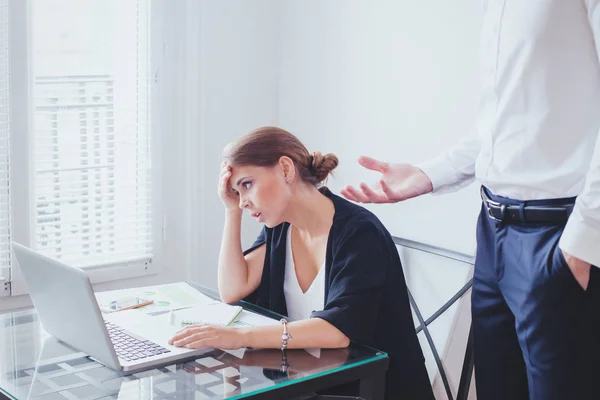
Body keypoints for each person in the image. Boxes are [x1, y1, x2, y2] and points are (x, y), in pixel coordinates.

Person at [341, 2, 600, 399]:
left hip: (558, 236)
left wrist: (582, 244)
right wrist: (427, 175)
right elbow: (501, 127)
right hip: (493, 232)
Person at [169, 126, 434, 399]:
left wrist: (239, 336)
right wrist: (231, 210)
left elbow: (337, 331)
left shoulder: (359, 232)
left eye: (247, 184)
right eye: (237, 192)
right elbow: (233, 289)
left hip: (371, 390)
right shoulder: (281, 227)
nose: (243, 201)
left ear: (286, 169)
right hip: (309, 387)